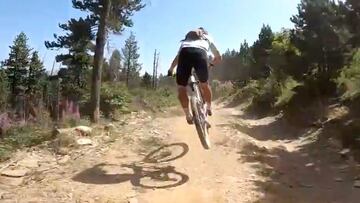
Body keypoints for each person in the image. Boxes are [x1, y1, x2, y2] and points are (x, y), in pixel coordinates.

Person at [167, 27, 222, 124]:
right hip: (200, 54)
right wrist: (211, 64)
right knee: (204, 85)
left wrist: (171, 69)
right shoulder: (207, 38)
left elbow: (178, 57)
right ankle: (209, 107)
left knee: (181, 88)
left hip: (185, 53)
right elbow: (218, 56)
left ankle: (188, 115)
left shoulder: (186, 41)